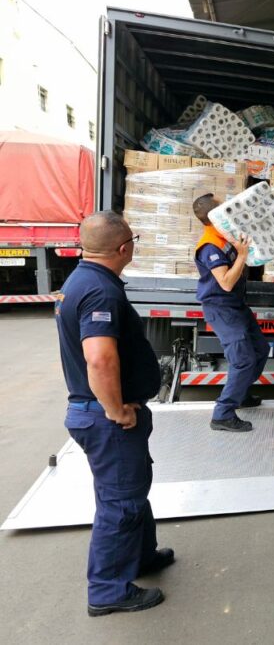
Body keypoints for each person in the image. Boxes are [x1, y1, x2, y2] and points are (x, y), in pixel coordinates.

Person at [56, 211, 173, 616]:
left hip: (99, 415)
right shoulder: (100, 292)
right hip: (105, 418)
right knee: (120, 503)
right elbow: (100, 360)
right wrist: (117, 410)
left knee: (130, 489)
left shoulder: (83, 280)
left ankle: (142, 557)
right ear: (125, 248)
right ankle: (108, 591)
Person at [192, 193, 270, 433]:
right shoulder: (210, 245)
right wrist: (243, 256)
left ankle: (241, 393)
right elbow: (225, 282)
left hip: (235, 305)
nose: (227, 206)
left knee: (261, 349)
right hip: (221, 307)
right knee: (243, 359)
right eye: (221, 205)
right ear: (214, 215)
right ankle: (223, 414)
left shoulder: (224, 234)